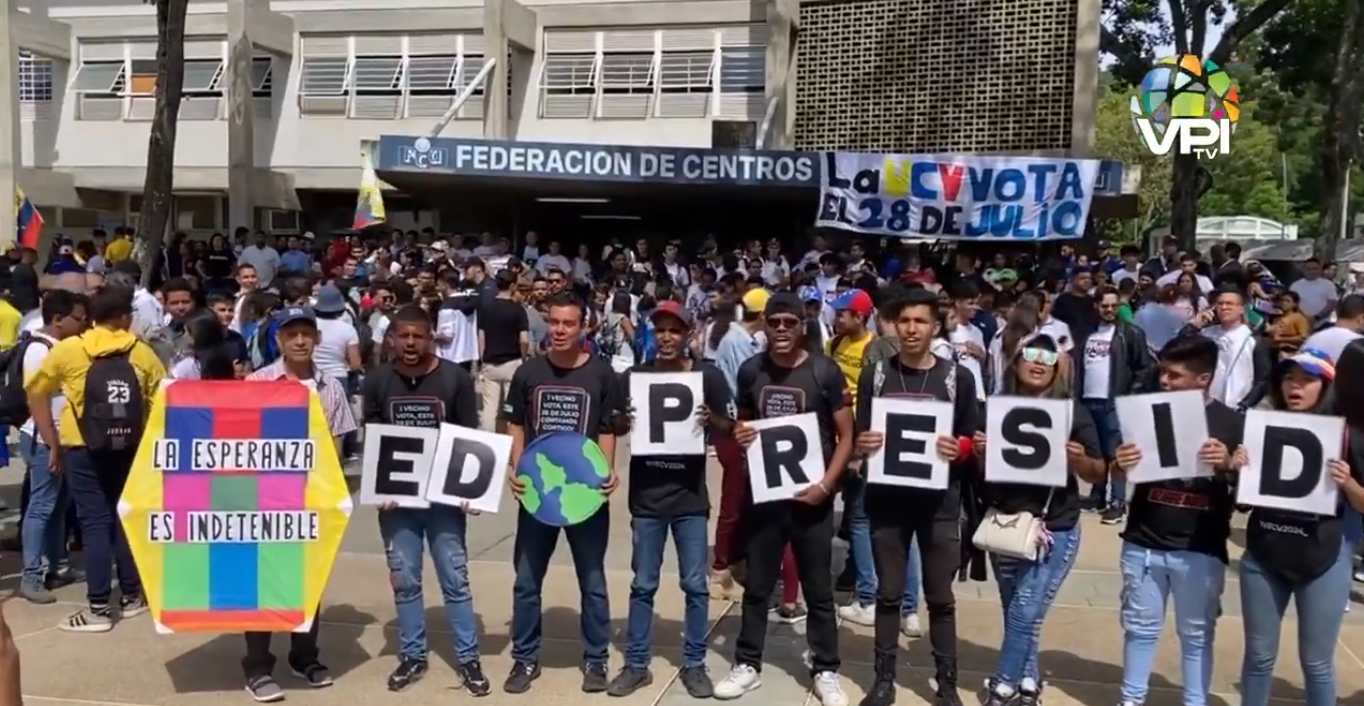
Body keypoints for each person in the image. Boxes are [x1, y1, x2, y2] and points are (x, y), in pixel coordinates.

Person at [716, 292, 852, 706]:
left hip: (812, 496)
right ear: (765, 324)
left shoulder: (823, 371)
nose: (780, 330)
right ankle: (747, 663)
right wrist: (740, 433)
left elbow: (847, 434)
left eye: (789, 323)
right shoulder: (751, 369)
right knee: (757, 586)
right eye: (774, 322)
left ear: (802, 325)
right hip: (766, 495)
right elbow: (743, 421)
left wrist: (827, 485)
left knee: (817, 590)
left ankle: (826, 668)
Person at [852, 288, 980, 706]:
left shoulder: (956, 377)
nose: (911, 329)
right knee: (889, 594)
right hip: (888, 501)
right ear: (893, 325)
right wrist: (863, 442)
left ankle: (946, 683)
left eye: (920, 321)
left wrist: (958, 448)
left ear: (935, 327)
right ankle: (884, 679)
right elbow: (860, 436)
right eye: (904, 321)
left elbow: (972, 439)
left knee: (940, 597)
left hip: (939, 503)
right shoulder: (877, 374)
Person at [1111, 334, 1245, 706]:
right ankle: (1131, 700)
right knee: (1139, 630)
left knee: (1197, 635)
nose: (1165, 381)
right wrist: (1119, 464)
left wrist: (1230, 465)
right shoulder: (1146, 411)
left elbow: (1250, 494)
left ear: (1203, 379)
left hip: (1199, 547)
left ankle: (1195, 701)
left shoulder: (1231, 422)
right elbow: (1120, 472)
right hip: (1143, 540)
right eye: (1163, 373)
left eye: (1174, 375)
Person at [360, 305, 487, 694]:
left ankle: (469, 659)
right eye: (404, 336)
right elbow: (374, 437)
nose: (411, 343)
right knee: (405, 580)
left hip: (445, 499)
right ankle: (412, 654)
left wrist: (471, 490)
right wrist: (379, 488)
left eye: (419, 336)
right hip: (399, 503)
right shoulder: (378, 380)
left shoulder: (455, 379)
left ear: (431, 337)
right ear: (392, 338)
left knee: (455, 579)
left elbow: (471, 436)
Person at [25, 284, 166, 632]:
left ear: (91, 317)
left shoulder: (71, 349)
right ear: (125, 318)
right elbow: (164, 397)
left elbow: (35, 391)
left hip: (82, 446)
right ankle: (132, 596)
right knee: (124, 518)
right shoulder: (142, 352)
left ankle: (98, 609)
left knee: (93, 523)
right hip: (132, 447)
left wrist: (52, 442)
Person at [973, 333, 1105, 706]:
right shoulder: (996, 408)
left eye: (1046, 358)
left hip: (1054, 526)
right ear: (1015, 364)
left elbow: (1099, 472)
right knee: (1017, 611)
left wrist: (1078, 459)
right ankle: (1029, 680)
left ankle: (1002, 685)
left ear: (1057, 368)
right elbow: (982, 474)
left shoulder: (1073, 412)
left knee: (1025, 609)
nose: (1037, 362)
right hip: (1006, 525)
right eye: (1029, 355)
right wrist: (980, 453)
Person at [503, 291, 623, 694]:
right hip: (538, 494)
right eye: (553, 322)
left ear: (584, 326)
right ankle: (524, 658)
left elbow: (608, 428)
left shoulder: (603, 374)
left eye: (568, 323)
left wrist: (608, 472)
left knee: (592, 581)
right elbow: (515, 423)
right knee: (525, 581)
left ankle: (596, 660)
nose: (559, 330)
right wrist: (516, 467)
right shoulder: (528, 373)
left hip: (585, 495)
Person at [610, 300, 732, 699]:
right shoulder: (634, 377)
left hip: (690, 499)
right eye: (660, 330)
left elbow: (731, 427)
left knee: (695, 586)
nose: (666, 338)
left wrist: (708, 420)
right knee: (643, 585)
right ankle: (637, 664)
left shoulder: (706, 376)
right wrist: (624, 420)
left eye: (674, 331)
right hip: (646, 498)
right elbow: (611, 423)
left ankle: (695, 664)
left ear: (688, 334)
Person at [242, 305, 358, 702]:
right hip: (265, 500)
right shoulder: (257, 383)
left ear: (318, 338)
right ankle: (257, 666)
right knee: (261, 584)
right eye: (291, 334)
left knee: (309, 581)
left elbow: (339, 446)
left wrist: (330, 493)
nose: (300, 340)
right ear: (278, 340)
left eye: (306, 333)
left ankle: (304, 656)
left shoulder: (331, 387)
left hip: (313, 501)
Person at [1232, 348, 1357, 706]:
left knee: (1317, 663)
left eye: (1306, 380)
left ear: (1326, 385)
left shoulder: (1348, 435)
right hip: (1264, 554)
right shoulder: (1262, 427)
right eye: (1289, 379)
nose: (1296, 388)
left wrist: (1348, 483)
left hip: (1324, 558)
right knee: (1258, 657)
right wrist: (1239, 470)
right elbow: (1242, 504)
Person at [16, 290, 89, 604]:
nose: (84, 323)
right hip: (45, 439)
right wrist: (53, 444)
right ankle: (31, 575)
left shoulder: (60, 347)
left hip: (61, 438)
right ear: (59, 319)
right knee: (41, 507)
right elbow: (38, 401)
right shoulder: (39, 350)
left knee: (59, 505)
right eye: (79, 318)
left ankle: (57, 564)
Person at [1074, 286, 1154, 524]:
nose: (1109, 310)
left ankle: (1117, 502)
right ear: (1096, 306)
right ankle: (1097, 495)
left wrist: (1129, 395)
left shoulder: (1130, 333)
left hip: (1115, 401)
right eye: (1104, 305)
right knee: (1095, 451)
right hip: (1088, 400)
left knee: (1117, 453)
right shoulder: (1086, 333)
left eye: (1113, 305)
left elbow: (1145, 368)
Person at [1183, 286, 1272, 410]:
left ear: (1241, 309)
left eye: (1229, 304)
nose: (1224, 307)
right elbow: (1177, 352)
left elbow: (1262, 379)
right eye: (1220, 304)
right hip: (1204, 404)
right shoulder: (1205, 334)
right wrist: (1193, 326)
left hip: (1236, 406)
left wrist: (1246, 405)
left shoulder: (1252, 340)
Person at [477, 270, 529, 432]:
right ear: (513, 285)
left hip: (490, 362)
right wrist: (524, 357)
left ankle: (488, 442)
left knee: (489, 409)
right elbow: (524, 339)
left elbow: (481, 336)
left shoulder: (486, 307)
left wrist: (481, 359)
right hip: (512, 362)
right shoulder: (518, 310)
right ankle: (511, 442)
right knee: (510, 407)